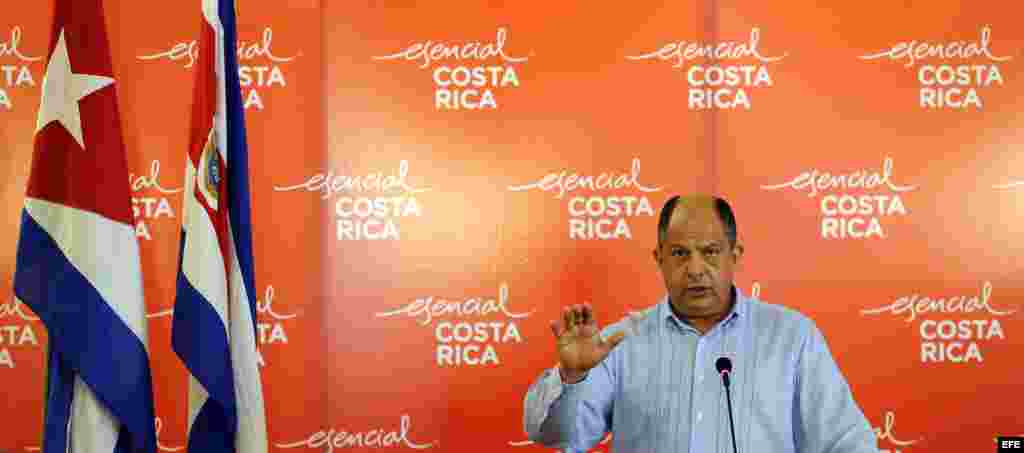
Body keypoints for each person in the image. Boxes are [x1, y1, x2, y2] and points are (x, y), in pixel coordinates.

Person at [522, 194, 877, 453]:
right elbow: (558, 436)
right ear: (658, 258)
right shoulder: (618, 342)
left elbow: (845, 441)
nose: (694, 269)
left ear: (734, 255)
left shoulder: (792, 336)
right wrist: (572, 377)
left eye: (709, 252)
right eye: (679, 253)